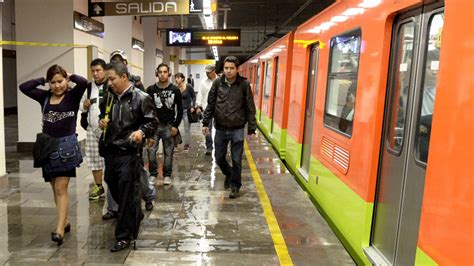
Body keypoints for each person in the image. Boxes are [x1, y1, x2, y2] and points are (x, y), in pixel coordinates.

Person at [20, 64, 88, 245]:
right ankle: (64, 221)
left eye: (60, 81)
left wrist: (70, 75)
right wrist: (42, 80)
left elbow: (83, 82)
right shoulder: (44, 97)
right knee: (53, 188)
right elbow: (24, 87)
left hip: (66, 147)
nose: (57, 85)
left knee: (61, 189)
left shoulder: (73, 96)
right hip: (48, 147)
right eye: (53, 82)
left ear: (65, 80)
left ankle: (59, 230)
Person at [98, 62, 158, 252]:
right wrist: (102, 123)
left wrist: (141, 132)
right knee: (112, 184)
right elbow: (104, 116)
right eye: (108, 79)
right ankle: (135, 213)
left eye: (112, 78)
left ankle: (123, 236)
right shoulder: (108, 97)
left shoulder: (142, 98)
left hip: (130, 152)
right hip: (110, 150)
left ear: (124, 77)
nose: (109, 82)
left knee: (126, 192)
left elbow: (152, 122)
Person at [202, 56, 257, 198]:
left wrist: (252, 128)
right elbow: (211, 104)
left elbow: (250, 107)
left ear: (237, 69)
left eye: (232, 68)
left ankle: (235, 186)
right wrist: (205, 122)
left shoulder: (244, 85)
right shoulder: (217, 83)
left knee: (236, 159)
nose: (228, 71)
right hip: (220, 128)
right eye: (226, 68)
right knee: (219, 157)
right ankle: (229, 173)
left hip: (237, 128)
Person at [146, 63, 183, 186]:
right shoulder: (150, 90)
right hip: (154, 126)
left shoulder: (175, 90)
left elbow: (180, 109)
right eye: (160, 72)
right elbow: (146, 109)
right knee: (151, 151)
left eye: (165, 72)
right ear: (157, 73)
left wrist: (175, 126)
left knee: (169, 152)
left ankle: (167, 175)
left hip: (169, 126)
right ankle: (153, 174)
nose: (162, 74)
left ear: (169, 73)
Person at [80, 58, 107, 201]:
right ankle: (98, 186)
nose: (95, 74)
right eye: (93, 71)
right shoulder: (89, 88)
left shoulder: (111, 86)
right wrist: (84, 105)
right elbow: (81, 107)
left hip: (108, 130)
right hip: (92, 129)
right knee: (94, 159)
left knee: (111, 159)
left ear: (105, 71)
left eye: (98, 70)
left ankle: (114, 187)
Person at [196, 64, 218, 155]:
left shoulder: (220, 81)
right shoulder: (203, 82)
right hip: (206, 109)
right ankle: (209, 147)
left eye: (209, 72)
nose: (207, 74)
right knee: (207, 129)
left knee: (219, 129)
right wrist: (198, 106)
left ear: (214, 71)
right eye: (206, 72)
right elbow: (200, 94)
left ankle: (219, 145)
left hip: (218, 109)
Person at [175, 72, 196, 151]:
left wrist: (193, 106)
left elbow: (193, 97)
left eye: (178, 78)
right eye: (176, 78)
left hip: (186, 111)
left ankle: (187, 145)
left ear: (182, 78)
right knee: (175, 127)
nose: (176, 80)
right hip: (178, 112)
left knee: (186, 129)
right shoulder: (176, 88)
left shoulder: (188, 87)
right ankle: (176, 144)